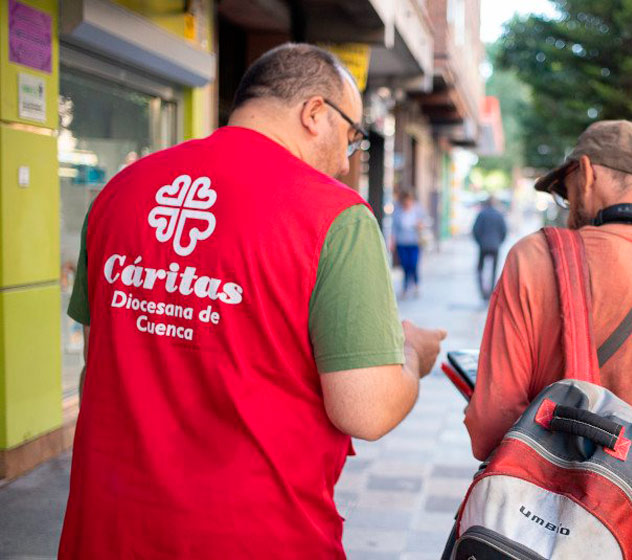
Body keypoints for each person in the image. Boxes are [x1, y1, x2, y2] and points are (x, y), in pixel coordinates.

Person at [59, 44, 446, 559]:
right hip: (253, 531)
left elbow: (98, 364)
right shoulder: (333, 216)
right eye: (352, 137)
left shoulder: (121, 191)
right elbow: (367, 410)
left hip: (108, 522)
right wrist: (412, 353)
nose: (346, 158)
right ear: (314, 114)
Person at [464, 120, 632, 557]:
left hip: (537, 539)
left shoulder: (533, 260)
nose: (568, 205)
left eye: (566, 191)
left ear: (585, 173)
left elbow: (490, 427)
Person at [472, 195, 508, 300]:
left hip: (483, 246)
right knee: (494, 270)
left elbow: (475, 230)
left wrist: (480, 242)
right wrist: (499, 242)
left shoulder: (482, 214)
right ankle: (491, 291)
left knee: (480, 269)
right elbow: (504, 231)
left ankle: (483, 292)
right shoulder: (499, 215)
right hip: (495, 246)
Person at [391, 191, 426, 298]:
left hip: (414, 242)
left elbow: (424, 222)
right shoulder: (397, 211)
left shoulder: (418, 209)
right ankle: (405, 288)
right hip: (402, 242)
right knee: (405, 265)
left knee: (413, 264)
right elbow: (394, 228)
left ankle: (416, 285)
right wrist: (392, 241)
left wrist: (420, 225)